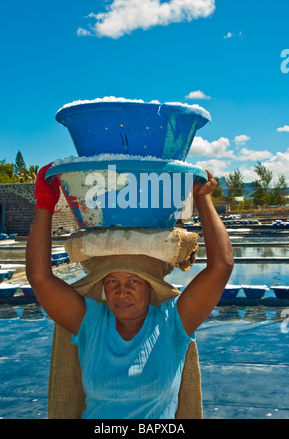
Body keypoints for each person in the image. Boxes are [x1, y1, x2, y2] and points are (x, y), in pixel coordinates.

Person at [26, 163, 234, 419]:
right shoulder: (90, 322)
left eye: (133, 281)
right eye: (111, 281)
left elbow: (221, 266)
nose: (121, 291)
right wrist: (45, 205)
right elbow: (40, 277)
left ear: (150, 285)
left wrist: (203, 199)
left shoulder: (173, 322)